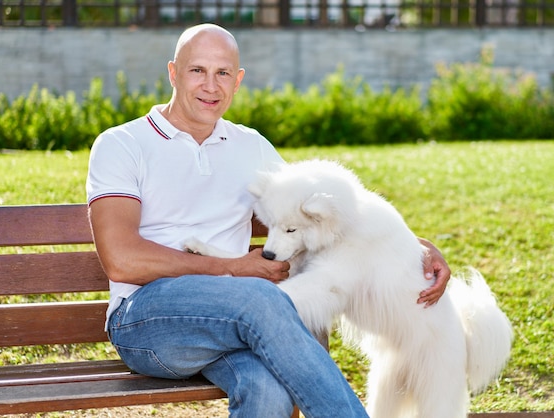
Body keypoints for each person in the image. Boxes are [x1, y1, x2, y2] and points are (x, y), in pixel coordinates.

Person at [86, 23, 451, 418]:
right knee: (262, 297)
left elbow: (317, 214)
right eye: (197, 71)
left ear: (238, 80)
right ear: (173, 72)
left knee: (268, 391)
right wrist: (231, 268)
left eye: (223, 73)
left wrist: (414, 246)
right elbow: (122, 259)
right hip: (148, 322)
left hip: (234, 325)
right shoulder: (122, 144)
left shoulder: (251, 146)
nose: (211, 85)